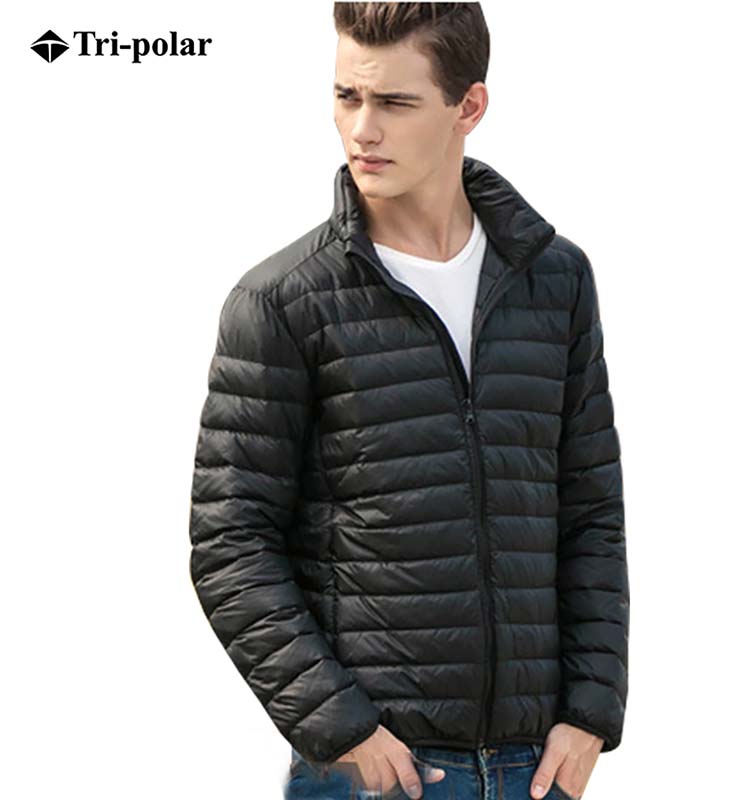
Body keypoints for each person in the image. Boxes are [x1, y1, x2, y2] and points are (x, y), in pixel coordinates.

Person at [188, 4, 629, 799]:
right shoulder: (284, 302)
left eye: (394, 102)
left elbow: (590, 507)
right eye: (347, 97)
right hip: (385, 774)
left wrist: (590, 711)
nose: (362, 129)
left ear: (469, 106)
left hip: (536, 768)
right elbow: (230, 541)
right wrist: (342, 729)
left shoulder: (554, 280)